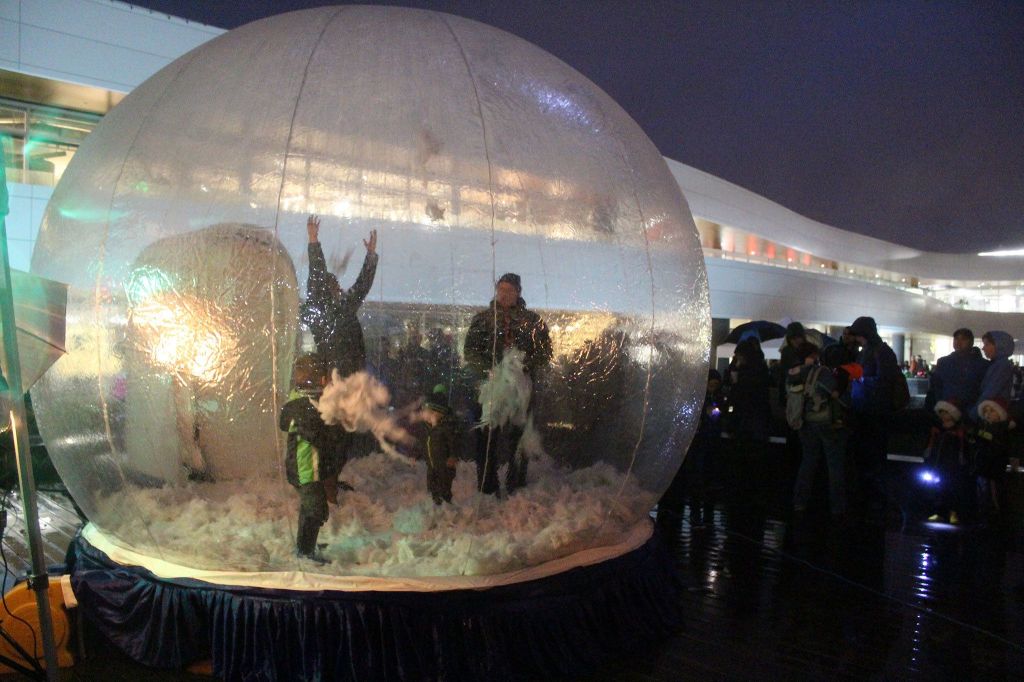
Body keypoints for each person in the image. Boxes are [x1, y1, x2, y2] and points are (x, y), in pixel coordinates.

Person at [463, 273, 552, 495]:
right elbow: (470, 350)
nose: (504, 294)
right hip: (490, 387)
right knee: (487, 435)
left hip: (521, 388)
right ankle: (487, 485)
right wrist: (489, 368)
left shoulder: (532, 321)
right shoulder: (483, 319)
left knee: (519, 437)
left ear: (518, 292)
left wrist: (523, 365)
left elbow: (545, 352)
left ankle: (516, 483)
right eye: (501, 289)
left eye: (509, 290)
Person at [280, 354, 349, 562]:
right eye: (323, 376)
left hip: (309, 467)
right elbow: (317, 435)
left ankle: (305, 544)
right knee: (316, 509)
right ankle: (304, 553)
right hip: (306, 468)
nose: (327, 380)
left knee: (308, 508)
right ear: (316, 378)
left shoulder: (306, 400)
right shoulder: (304, 405)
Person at [304, 215, 378, 378]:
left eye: (337, 285)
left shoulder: (344, 306)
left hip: (353, 371)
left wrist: (371, 256)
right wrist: (313, 241)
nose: (339, 288)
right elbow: (317, 272)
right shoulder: (322, 308)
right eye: (334, 285)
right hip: (335, 371)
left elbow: (362, 286)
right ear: (325, 289)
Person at [847, 316, 902, 525]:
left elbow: (884, 381)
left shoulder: (880, 352)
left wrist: (860, 378)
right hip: (865, 411)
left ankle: (874, 501)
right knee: (867, 457)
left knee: (873, 457)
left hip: (873, 413)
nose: (858, 339)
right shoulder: (873, 350)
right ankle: (869, 499)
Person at [788, 342, 849, 520]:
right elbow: (835, 394)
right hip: (823, 421)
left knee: (807, 462)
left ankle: (800, 502)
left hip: (802, 421)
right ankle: (837, 507)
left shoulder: (792, 372)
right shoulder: (820, 372)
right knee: (834, 465)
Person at [924, 400, 969, 525]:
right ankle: (939, 512)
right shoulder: (938, 430)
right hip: (939, 465)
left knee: (951, 489)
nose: (944, 416)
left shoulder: (958, 432)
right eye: (942, 413)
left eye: (946, 413)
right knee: (938, 489)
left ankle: (953, 513)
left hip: (951, 466)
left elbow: (961, 449)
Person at [971, 397, 1015, 522]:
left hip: (994, 468)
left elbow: (999, 446)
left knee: (994, 493)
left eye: (992, 411)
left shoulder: (1001, 430)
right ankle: (985, 515)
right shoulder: (982, 427)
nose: (988, 414)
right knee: (983, 493)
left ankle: (995, 517)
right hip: (983, 466)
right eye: (986, 411)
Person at [926, 328, 988, 413]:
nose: (958, 342)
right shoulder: (943, 362)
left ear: (971, 342)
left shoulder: (982, 365)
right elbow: (937, 386)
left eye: (963, 339)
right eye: (956, 339)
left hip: (970, 410)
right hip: (946, 411)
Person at [420, 384, 459, 505]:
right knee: (432, 485)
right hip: (432, 463)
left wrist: (453, 456)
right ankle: (436, 504)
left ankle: (446, 507)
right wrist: (418, 454)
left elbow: (454, 442)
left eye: (431, 413)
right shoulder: (429, 428)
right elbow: (425, 443)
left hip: (444, 464)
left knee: (444, 486)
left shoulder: (446, 426)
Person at [972, 331, 1015, 419]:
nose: (983, 348)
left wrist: (974, 413)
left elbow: (990, 391)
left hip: (993, 413)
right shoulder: (996, 364)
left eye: (987, 344)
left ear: (999, 346)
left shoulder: (1002, 365)